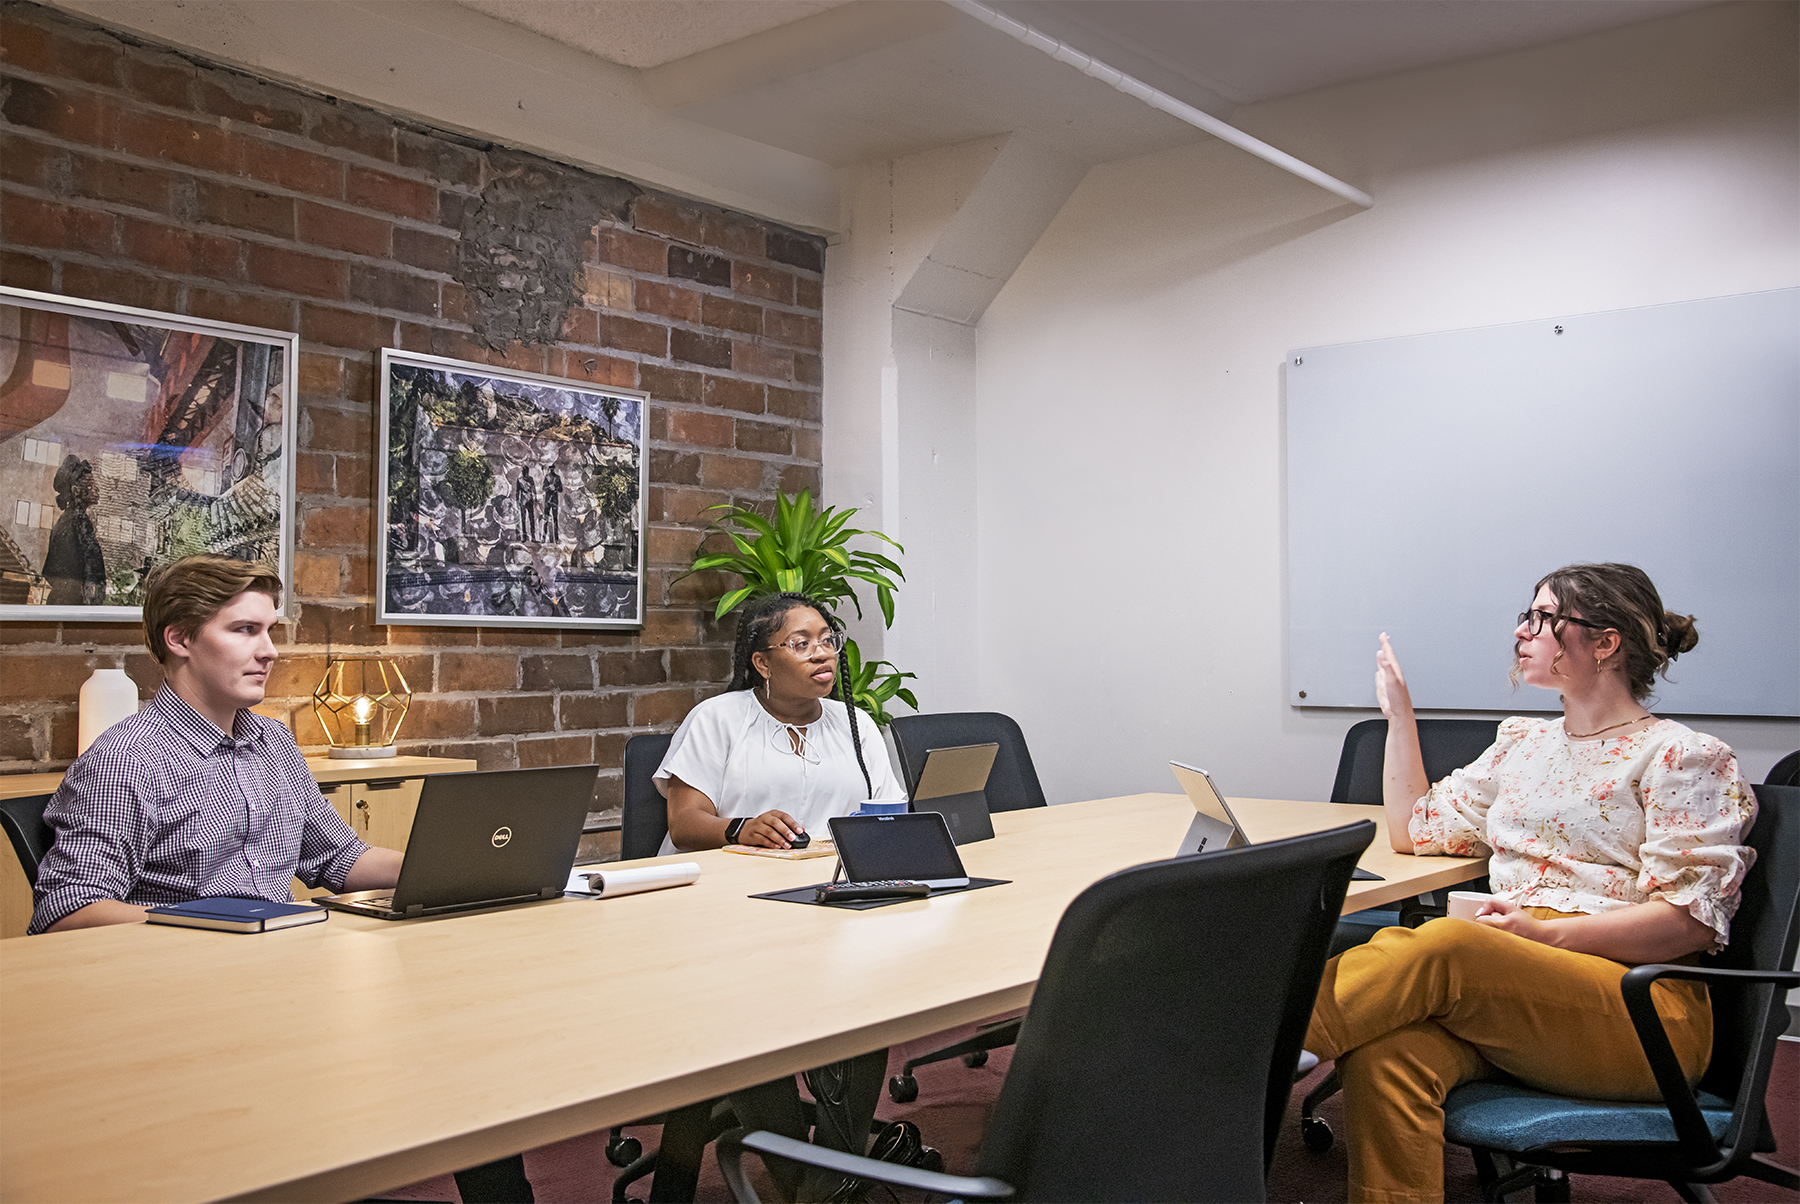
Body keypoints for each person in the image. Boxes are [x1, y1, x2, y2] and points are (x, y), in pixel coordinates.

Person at [29, 554, 531, 1202]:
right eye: (244, 630)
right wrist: (221, 925)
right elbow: (67, 910)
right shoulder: (124, 762)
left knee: (466, 1047)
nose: (268, 651)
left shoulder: (272, 743)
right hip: (191, 1014)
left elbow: (341, 861)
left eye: (270, 631)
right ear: (179, 639)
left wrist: (455, 863)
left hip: (292, 988)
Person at [1305, 563, 1758, 1203]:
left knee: (1449, 946)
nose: (1522, 631)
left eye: (1544, 619)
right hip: (1519, 990)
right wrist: (1399, 716)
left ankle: (1249, 1058)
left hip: (1642, 1012)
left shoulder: (1683, 756)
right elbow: (1414, 828)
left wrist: (1541, 940)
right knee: (1387, 1057)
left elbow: (1686, 921)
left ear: (1605, 643)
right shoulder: (1525, 744)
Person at [649, 592, 908, 1202]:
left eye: (827, 638)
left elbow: (887, 816)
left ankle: (834, 1180)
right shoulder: (719, 718)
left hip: (823, 906)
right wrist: (740, 827)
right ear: (762, 663)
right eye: (802, 642)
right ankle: (815, 1188)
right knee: (748, 1015)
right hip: (722, 914)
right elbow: (686, 822)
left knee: (864, 1005)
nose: (823, 653)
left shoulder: (858, 724)